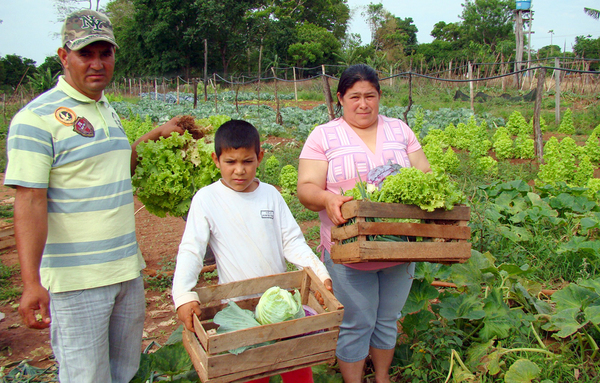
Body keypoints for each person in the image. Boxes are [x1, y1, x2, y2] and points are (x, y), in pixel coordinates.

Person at [4, 9, 183, 383]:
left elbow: (118, 164)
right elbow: (30, 202)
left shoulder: (106, 108)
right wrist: (31, 282)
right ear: (63, 56)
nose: (97, 63)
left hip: (125, 272)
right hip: (76, 282)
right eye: (86, 54)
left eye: (106, 53)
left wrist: (156, 135)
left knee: (125, 373)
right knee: (86, 377)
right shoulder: (36, 119)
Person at [297, 64, 432, 383]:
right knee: (356, 321)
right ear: (340, 99)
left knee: (387, 319)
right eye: (354, 96)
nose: (363, 103)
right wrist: (328, 199)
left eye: (370, 95)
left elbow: (424, 174)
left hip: (399, 247)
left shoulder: (400, 130)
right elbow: (306, 188)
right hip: (348, 249)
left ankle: (382, 377)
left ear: (379, 96)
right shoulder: (324, 136)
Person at [172, 120, 333, 383]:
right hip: (239, 310)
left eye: (247, 161)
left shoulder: (270, 195)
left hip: (281, 305)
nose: (239, 170)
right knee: (250, 371)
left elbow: (292, 242)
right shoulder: (206, 199)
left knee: (296, 366)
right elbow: (192, 249)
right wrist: (183, 294)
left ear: (259, 157)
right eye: (231, 162)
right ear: (216, 159)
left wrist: (319, 272)